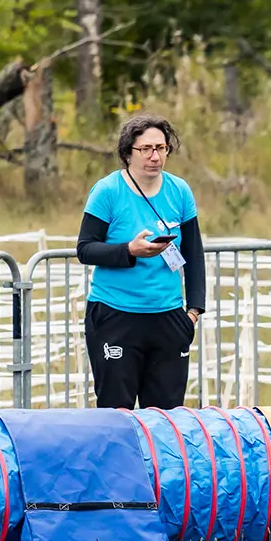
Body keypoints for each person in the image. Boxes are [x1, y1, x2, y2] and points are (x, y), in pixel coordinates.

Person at [75, 114, 205, 409]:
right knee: (117, 413)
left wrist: (193, 312)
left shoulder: (180, 191)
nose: (154, 156)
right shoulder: (107, 191)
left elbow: (194, 255)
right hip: (115, 315)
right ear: (127, 153)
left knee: (167, 417)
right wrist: (129, 251)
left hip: (168, 316)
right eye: (145, 149)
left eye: (161, 148)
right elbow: (85, 249)